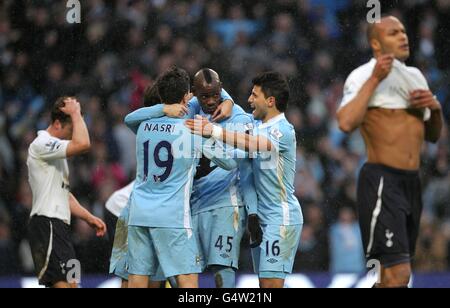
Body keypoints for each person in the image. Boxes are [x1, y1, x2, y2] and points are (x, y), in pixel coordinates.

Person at [127, 68, 261, 288]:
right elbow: (229, 162)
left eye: (215, 95)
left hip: (142, 211)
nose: (209, 101)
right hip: (175, 213)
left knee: (139, 279)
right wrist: (212, 134)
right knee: (187, 279)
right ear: (188, 96)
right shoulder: (192, 128)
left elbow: (129, 118)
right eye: (202, 95)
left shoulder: (143, 126)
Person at [336, 16, 443, 288]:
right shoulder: (362, 75)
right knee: (400, 275)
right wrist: (375, 79)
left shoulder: (415, 76)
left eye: (404, 31)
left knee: (390, 278)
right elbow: (346, 122)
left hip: (412, 183)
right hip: (383, 181)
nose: (403, 36)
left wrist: (436, 109)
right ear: (376, 43)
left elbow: (432, 136)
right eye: (393, 33)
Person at [186, 71, 304, 288]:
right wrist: (228, 100)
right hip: (261, 217)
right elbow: (212, 88)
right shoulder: (256, 124)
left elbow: (255, 145)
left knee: (270, 286)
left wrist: (212, 131)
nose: (249, 100)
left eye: (254, 95)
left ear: (270, 101)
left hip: (281, 216)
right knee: (267, 285)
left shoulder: (283, 131)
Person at [27, 97, 107, 288]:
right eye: (71, 128)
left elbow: (64, 194)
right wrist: (76, 113)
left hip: (59, 227)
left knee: (73, 283)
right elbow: (83, 144)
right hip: (47, 223)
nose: (74, 134)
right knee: (64, 284)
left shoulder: (56, 155)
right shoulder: (41, 144)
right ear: (56, 123)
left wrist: (89, 218)